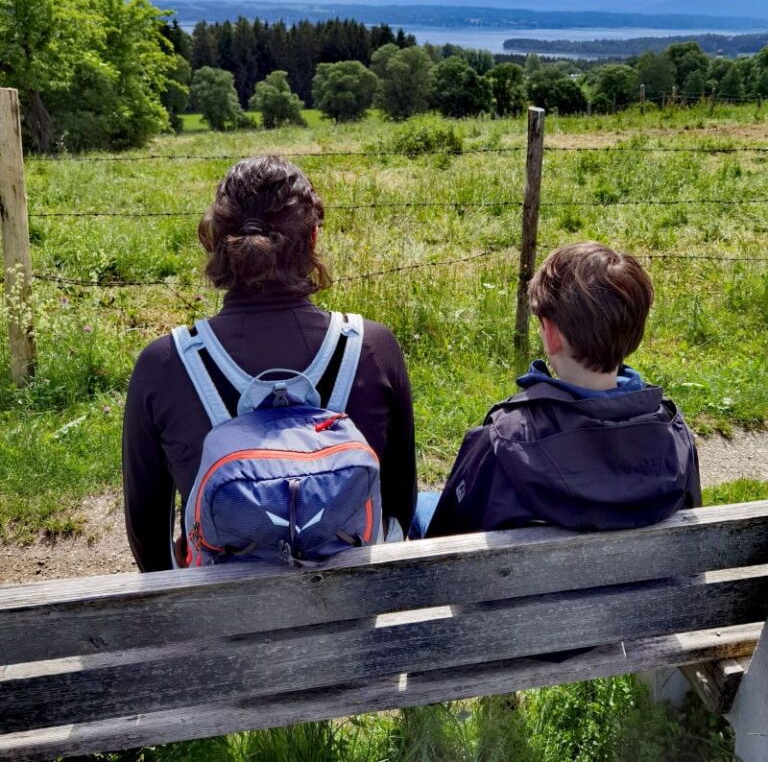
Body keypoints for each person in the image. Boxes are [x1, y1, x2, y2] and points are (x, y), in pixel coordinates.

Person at [123, 155, 416, 571]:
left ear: (216, 242)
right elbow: (399, 509)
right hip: (350, 620)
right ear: (313, 239)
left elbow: (147, 540)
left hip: (222, 627)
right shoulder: (374, 347)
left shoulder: (164, 363)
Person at [421, 241, 701, 538]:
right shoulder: (675, 435)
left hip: (530, 585)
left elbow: (447, 543)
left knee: (420, 506)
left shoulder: (503, 440)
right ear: (634, 332)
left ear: (551, 335)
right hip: (647, 582)